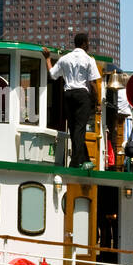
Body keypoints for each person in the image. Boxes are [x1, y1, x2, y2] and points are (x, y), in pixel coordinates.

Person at [42, 33, 101, 169]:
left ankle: (85, 160)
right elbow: (92, 83)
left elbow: (52, 75)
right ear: (84, 44)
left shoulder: (65, 59)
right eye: (88, 43)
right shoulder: (88, 59)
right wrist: (97, 102)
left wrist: (48, 59)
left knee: (74, 128)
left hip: (68, 95)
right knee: (80, 129)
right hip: (82, 95)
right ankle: (75, 161)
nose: (89, 45)